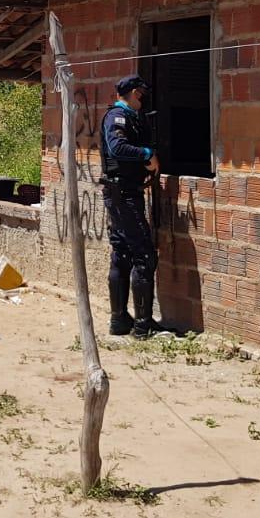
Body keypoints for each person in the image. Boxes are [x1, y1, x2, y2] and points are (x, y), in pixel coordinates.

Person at [100, 74, 164, 339]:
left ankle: (119, 320)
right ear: (136, 93)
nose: (144, 100)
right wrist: (147, 156)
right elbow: (117, 147)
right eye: (142, 95)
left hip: (121, 191)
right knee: (143, 255)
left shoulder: (128, 117)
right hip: (123, 193)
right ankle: (143, 325)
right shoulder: (118, 116)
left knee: (122, 252)